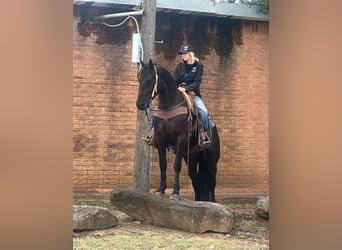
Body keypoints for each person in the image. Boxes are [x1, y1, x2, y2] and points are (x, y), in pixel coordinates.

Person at [143, 44, 211, 147]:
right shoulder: (179, 66)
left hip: (193, 94)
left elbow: (197, 83)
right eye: (182, 54)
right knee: (158, 110)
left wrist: (186, 88)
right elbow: (174, 81)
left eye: (185, 53)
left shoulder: (199, 66)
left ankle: (203, 134)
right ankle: (152, 133)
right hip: (179, 93)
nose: (183, 56)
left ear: (190, 54)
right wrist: (175, 89)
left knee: (204, 111)